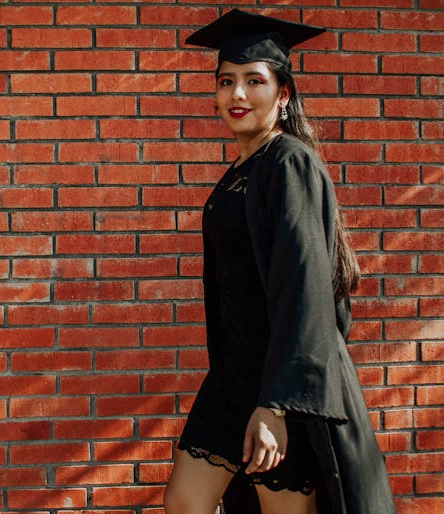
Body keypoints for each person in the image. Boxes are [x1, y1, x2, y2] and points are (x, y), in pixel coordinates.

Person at [164, 9, 397, 514]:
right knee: (185, 501)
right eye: (227, 82)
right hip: (234, 375)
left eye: (254, 81)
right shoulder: (243, 169)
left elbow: (304, 284)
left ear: (284, 94)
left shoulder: (290, 161)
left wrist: (276, 405)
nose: (237, 95)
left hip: (281, 380)